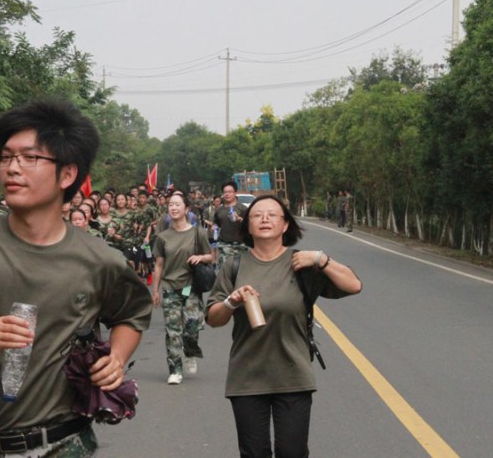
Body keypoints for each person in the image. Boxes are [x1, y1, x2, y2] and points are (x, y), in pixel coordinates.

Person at [0, 98, 153, 457]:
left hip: (63, 444)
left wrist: (115, 358)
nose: (12, 168)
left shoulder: (99, 259)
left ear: (67, 174)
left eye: (29, 158)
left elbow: (130, 315)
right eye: (6, 157)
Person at [206, 195, 362, 458]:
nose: (265, 219)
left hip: (293, 376)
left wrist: (321, 259)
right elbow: (212, 318)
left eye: (272, 215)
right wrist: (232, 302)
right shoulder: (234, 266)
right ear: (248, 226)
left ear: (285, 225)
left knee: (293, 452)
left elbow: (354, 285)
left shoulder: (302, 263)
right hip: (247, 377)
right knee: (254, 453)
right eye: (257, 215)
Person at [151, 192, 213, 385]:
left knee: (192, 324)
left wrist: (201, 258)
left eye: (178, 205)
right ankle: (175, 370)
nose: (174, 208)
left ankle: (190, 350)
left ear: (186, 209)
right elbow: (159, 265)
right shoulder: (162, 237)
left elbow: (211, 256)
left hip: (190, 287)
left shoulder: (197, 233)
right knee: (173, 330)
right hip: (170, 287)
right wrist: (155, 290)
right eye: (171, 205)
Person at [213, 180, 248, 270]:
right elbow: (216, 223)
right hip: (224, 245)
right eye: (225, 192)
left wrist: (240, 219)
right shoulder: (219, 210)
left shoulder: (243, 209)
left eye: (230, 192)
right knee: (224, 271)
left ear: (235, 193)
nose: (227, 194)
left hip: (241, 245)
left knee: (240, 272)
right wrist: (214, 227)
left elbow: (251, 225)